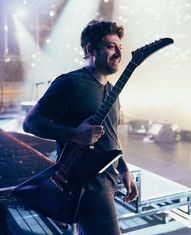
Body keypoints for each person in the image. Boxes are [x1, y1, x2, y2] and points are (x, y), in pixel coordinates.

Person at [23, 20, 138, 235]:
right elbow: (31, 122)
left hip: (108, 180)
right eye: (110, 46)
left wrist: (124, 169)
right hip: (89, 185)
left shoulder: (112, 90)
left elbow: (112, 135)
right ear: (91, 49)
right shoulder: (70, 83)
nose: (118, 53)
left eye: (119, 47)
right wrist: (74, 134)